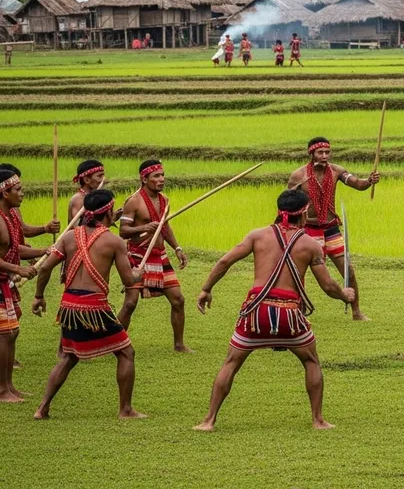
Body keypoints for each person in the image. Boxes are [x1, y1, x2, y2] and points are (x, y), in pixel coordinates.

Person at [193, 189, 355, 431]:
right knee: (311, 360)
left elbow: (225, 261)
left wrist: (206, 289)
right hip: (289, 315)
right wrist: (345, 295)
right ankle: (318, 420)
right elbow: (328, 285)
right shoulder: (310, 245)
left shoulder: (257, 236)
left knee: (231, 362)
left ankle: (208, 421)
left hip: (256, 313)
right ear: (303, 214)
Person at [31, 189, 145, 420]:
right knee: (126, 352)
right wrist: (138, 274)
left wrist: (39, 296)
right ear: (109, 212)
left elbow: (44, 268)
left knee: (69, 356)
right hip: (94, 308)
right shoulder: (114, 241)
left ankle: (42, 408)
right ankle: (125, 410)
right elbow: (128, 281)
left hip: (69, 306)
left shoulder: (69, 237)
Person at [287, 137, 379, 321]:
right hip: (309, 230)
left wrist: (369, 181)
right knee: (299, 273)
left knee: (348, 270)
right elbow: (287, 203)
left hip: (331, 229)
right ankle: (298, 312)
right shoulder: (299, 176)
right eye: (320, 152)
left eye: (327, 152)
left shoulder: (337, 171)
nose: (324, 156)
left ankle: (356, 311)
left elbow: (357, 183)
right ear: (311, 154)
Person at [117, 160, 191, 352]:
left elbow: (165, 227)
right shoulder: (133, 201)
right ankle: (115, 344)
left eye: (162, 175)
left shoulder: (165, 200)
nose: (161, 179)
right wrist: (143, 227)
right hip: (137, 256)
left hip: (160, 256)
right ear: (144, 179)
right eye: (156, 176)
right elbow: (123, 231)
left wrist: (177, 248)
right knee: (130, 303)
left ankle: (179, 344)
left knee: (178, 300)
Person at [0, 169, 50, 402]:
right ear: (4, 192)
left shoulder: (9, 216)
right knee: (4, 334)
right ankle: (2, 390)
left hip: (4, 283)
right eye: (18, 189)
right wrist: (17, 269)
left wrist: (44, 251)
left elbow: (14, 248)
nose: (22, 193)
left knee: (12, 332)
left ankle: (9, 386)